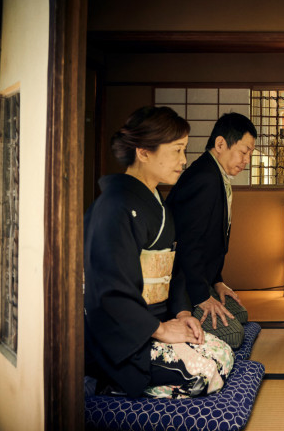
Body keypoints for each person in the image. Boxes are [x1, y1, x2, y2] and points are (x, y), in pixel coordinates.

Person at [84, 106, 234, 399]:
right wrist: (161, 330)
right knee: (205, 372)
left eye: (184, 150)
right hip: (126, 335)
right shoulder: (114, 206)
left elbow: (173, 271)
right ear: (143, 152)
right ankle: (111, 383)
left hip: (160, 319)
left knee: (223, 353)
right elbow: (109, 292)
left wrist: (181, 313)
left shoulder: (157, 202)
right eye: (177, 150)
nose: (184, 160)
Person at [166, 112, 257, 349]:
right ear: (220, 144)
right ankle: (178, 321)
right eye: (244, 151)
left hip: (202, 278)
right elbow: (188, 243)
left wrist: (217, 282)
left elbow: (211, 242)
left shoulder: (216, 174)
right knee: (234, 335)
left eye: (250, 154)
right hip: (183, 285)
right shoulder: (204, 178)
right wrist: (202, 298)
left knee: (240, 314)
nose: (247, 159)